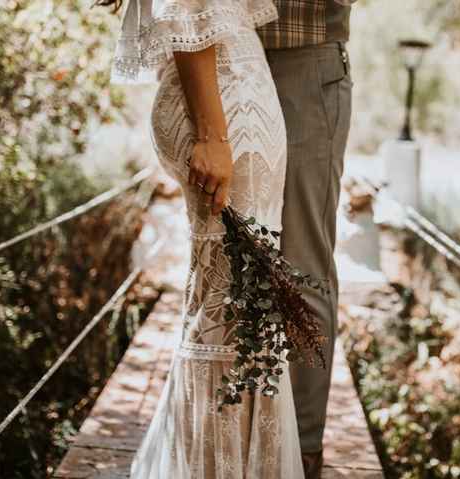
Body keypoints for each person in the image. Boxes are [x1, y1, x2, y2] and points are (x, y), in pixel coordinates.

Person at [107, 0, 304, 477]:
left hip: (229, 101)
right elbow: (187, 8)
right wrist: (213, 136)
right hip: (226, 112)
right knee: (233, 324)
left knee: (236, 317)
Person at [258, 1, 354, 478]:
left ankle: (303, 451)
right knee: (231, 264)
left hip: (304, 62)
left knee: (302, 264)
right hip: (226, 65)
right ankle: (242, 432)